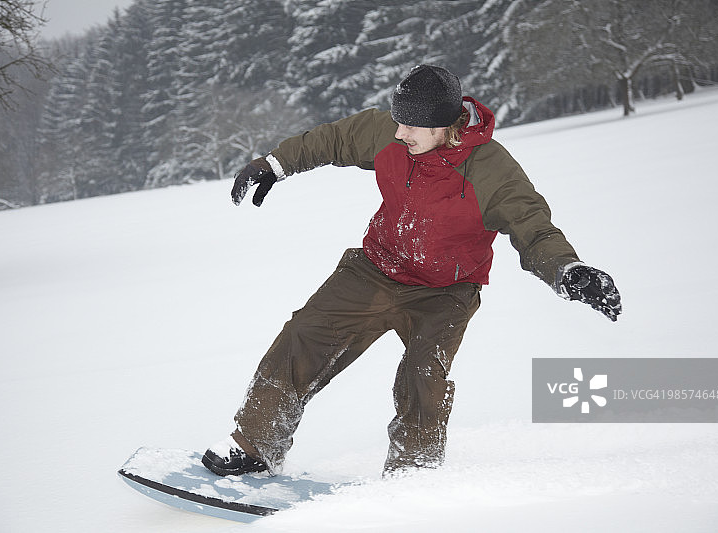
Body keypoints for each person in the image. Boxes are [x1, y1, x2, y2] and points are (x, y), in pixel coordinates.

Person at [202, 65, 621, 478]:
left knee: (424, 377)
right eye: (399, 121)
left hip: (446, 292)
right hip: (375, 269)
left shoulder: (491, 170)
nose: (400, 133)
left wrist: (567, 269)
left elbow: (533, 227)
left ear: (445, 125)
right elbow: (330, 139)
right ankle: (256, 446)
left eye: (413, 126)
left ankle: (413, 477)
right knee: (302, 337)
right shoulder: (392, 134)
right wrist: (274, 165)